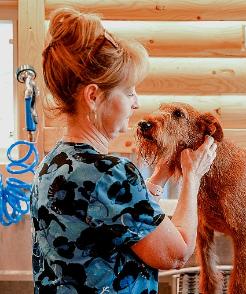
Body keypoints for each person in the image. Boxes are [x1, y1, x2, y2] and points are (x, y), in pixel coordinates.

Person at [30, 8, 217, 294]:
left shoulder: (53, 162)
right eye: (129, 91)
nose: (136, 103)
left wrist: (157, 180)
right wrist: (193, 177)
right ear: (93, 97)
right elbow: (176, 253)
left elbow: (121, 218)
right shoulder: (109, 173)